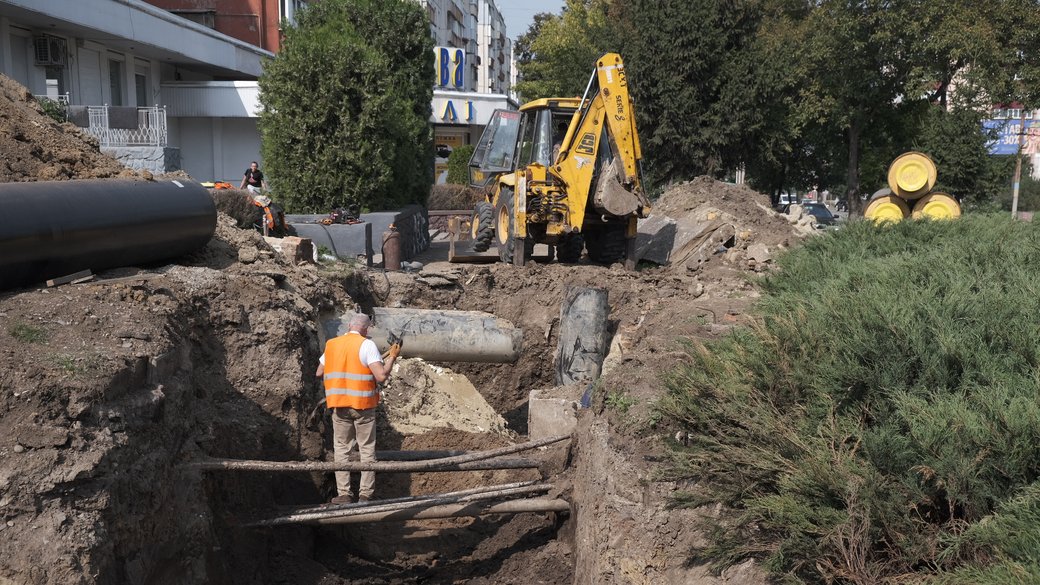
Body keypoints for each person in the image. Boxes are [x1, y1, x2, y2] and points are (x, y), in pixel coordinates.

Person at [315, 313, 400, 504]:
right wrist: (392, 357)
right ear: (366, 328)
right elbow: (380, 376)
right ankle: (365, 495)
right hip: (362, 406)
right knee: (367, 450)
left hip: (339, 405)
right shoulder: (367, 345)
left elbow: (319, 372)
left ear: (349, 326)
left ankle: (344, 494)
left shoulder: (331, 344)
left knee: (342, 450)